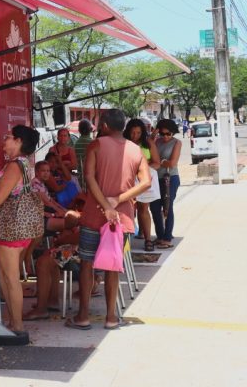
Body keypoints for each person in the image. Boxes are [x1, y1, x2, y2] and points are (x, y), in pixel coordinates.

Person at [67, 109, 150, 331]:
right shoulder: (135, 150)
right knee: (113, 265)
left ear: (103, 125)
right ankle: (111, 317)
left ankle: (83, 315)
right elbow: (146, 182)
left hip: (94, 214)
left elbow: (89, 178)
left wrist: (105, 204)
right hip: (122, 217)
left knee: (86, 263)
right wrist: (118, 200)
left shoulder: (97, 145)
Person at [0, 124, 42, 336]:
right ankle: (13, 322)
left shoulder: (14, 166)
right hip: (17, 228)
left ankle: (17, 325)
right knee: (6, 276)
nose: (5, 141)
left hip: (10, 228)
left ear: (19, 141)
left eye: (8, 137)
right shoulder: (24, 163)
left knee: (10, 278)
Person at [123, 118, 160, 252]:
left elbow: (157, 163)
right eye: (132, 133)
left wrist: (143, 168)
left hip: (143, 180)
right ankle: (125, 241)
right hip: (127, 181)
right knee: (128, 210)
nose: (135, 136)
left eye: (138, 133)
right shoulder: (123, 143)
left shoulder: (148, 143)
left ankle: (148, 239)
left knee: (143, 209)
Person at [150, 119, 182, 249]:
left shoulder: (177, 143)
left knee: (168, 208)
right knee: (154, 208)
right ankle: (160, 235)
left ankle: (167, 237)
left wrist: (159, 161)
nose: (165, 136)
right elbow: (149, 149)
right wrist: (154, 134)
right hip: (155, 179)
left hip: (170, 178)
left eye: (168, 133)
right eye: (162, 134)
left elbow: (172, 163)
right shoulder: (156, 141)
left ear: (173, 132)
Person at [73, 119, 94, 189]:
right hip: (91, 175)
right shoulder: (93, 143)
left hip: (79, 175)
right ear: (91, 129)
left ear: (79, 130)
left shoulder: (76, 144)